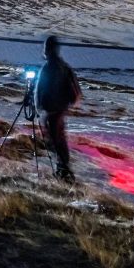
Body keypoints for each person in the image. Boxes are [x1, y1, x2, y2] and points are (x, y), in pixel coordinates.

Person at [34, 35, 82, 183]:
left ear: (47, 49)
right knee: (59, 140)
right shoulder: (64, 66)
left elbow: (40, 90)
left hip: (51, 111)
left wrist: (38, 106)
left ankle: (64, 172)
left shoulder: (48, 68)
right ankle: (63, 170)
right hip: (60, 109)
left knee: (55, 141)